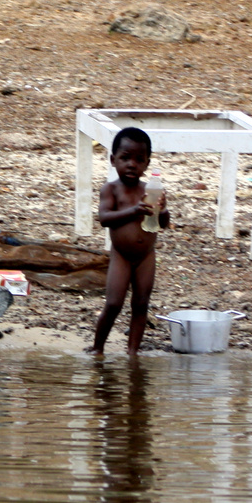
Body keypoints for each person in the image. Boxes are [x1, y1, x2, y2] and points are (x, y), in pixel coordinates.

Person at [90, 127, 170, 354]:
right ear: (113, 160)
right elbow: (104, 218)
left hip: (146, 256)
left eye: (139, 160)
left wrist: (162, 210)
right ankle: (98, 348)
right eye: (125, 158)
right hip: (122, 256)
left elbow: (163, 224)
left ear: (147, 164)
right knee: (114, 303)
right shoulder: (111, 190)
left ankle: (133, 352)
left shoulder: (151, 190)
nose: (132, 165)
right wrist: (134, 211)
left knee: (141, 304)